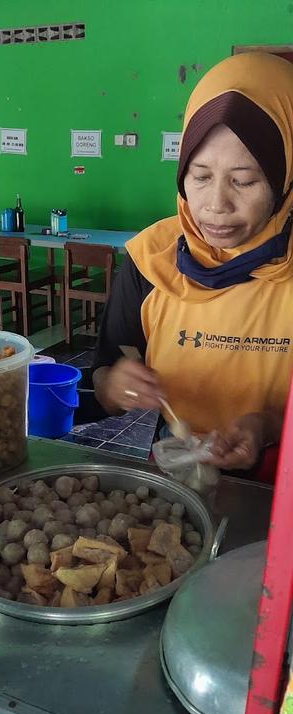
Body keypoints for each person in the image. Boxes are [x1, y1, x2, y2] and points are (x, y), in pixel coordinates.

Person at [92, 51, 293, 474]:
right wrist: (115, 386)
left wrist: (267, 424)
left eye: (244, 180)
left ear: (285, 179)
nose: (215, 205)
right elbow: (105, 373)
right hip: (177, 459)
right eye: (200, 176)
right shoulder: (153, 260)